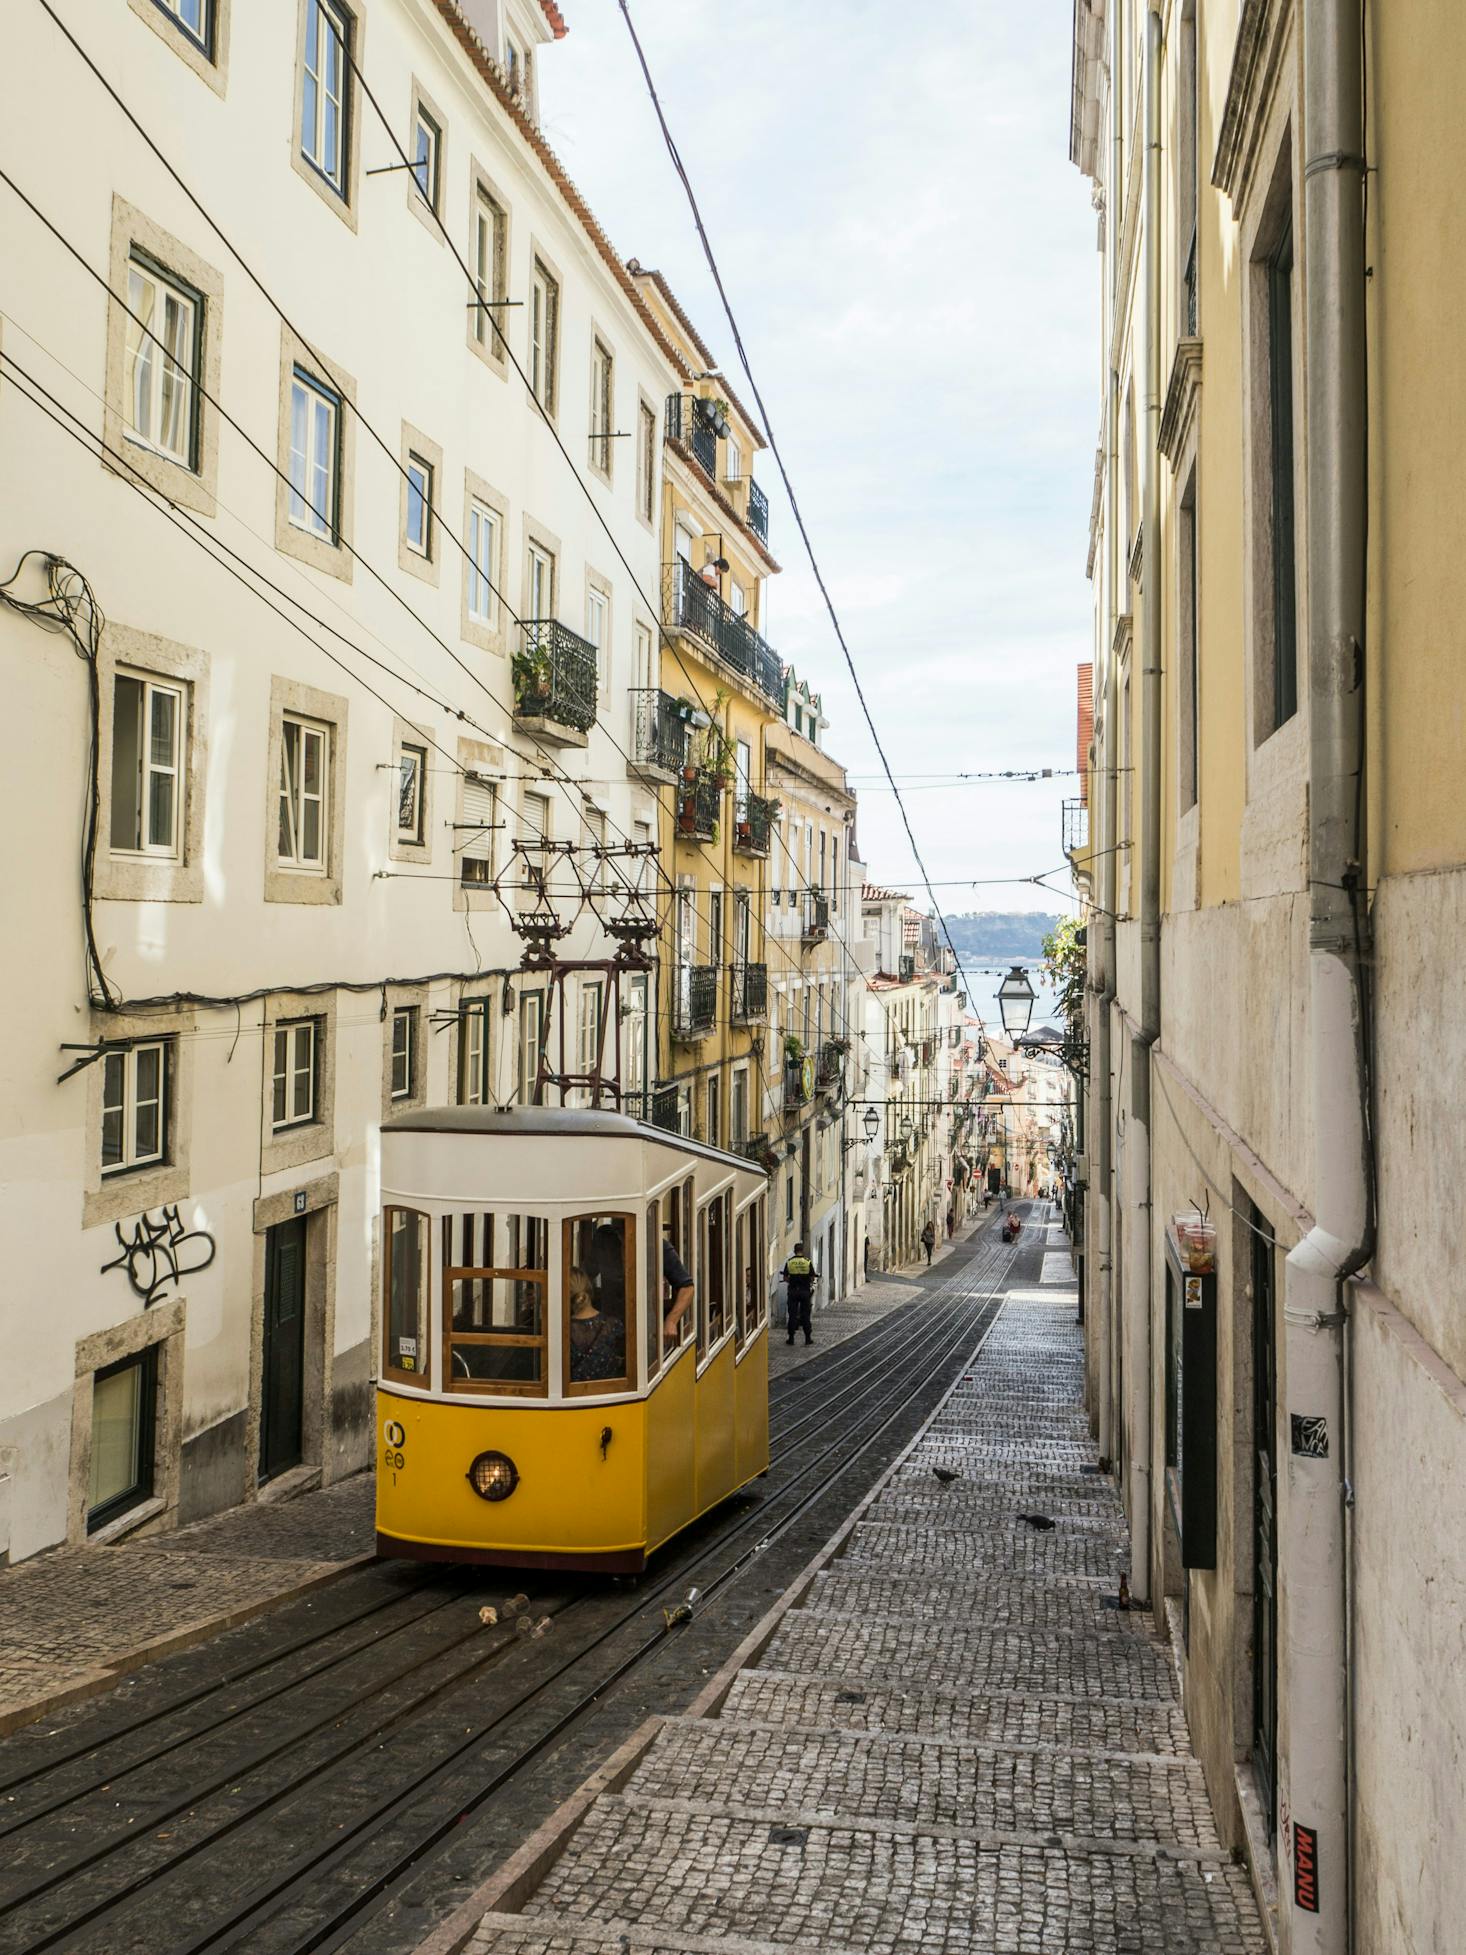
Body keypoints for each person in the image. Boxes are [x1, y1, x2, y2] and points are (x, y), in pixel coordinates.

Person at [567, 1266, 626, 1382]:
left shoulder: (563, 1330)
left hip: (575, 1396)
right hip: (611, 1394)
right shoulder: (613, 1325)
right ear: (589, 1287)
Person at [662, 1230, 695, 1345]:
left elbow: (687, 1287)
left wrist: (671, 1321)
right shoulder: (606, 1242)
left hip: (648, 1327)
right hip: (611, 1325)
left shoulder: (659, 1247)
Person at [781, 1242, 817, 1345]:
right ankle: (807, 1338)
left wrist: (792, 1281)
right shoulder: (807, 1262)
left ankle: (791, 1338)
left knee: (792, 1315)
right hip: (805, 1291)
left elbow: (785, 1278)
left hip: (793, 1291)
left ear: (794, 1251)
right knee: (805, 1315)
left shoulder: (790, 1262)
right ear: (802, 1251)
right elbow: (812, 1277)